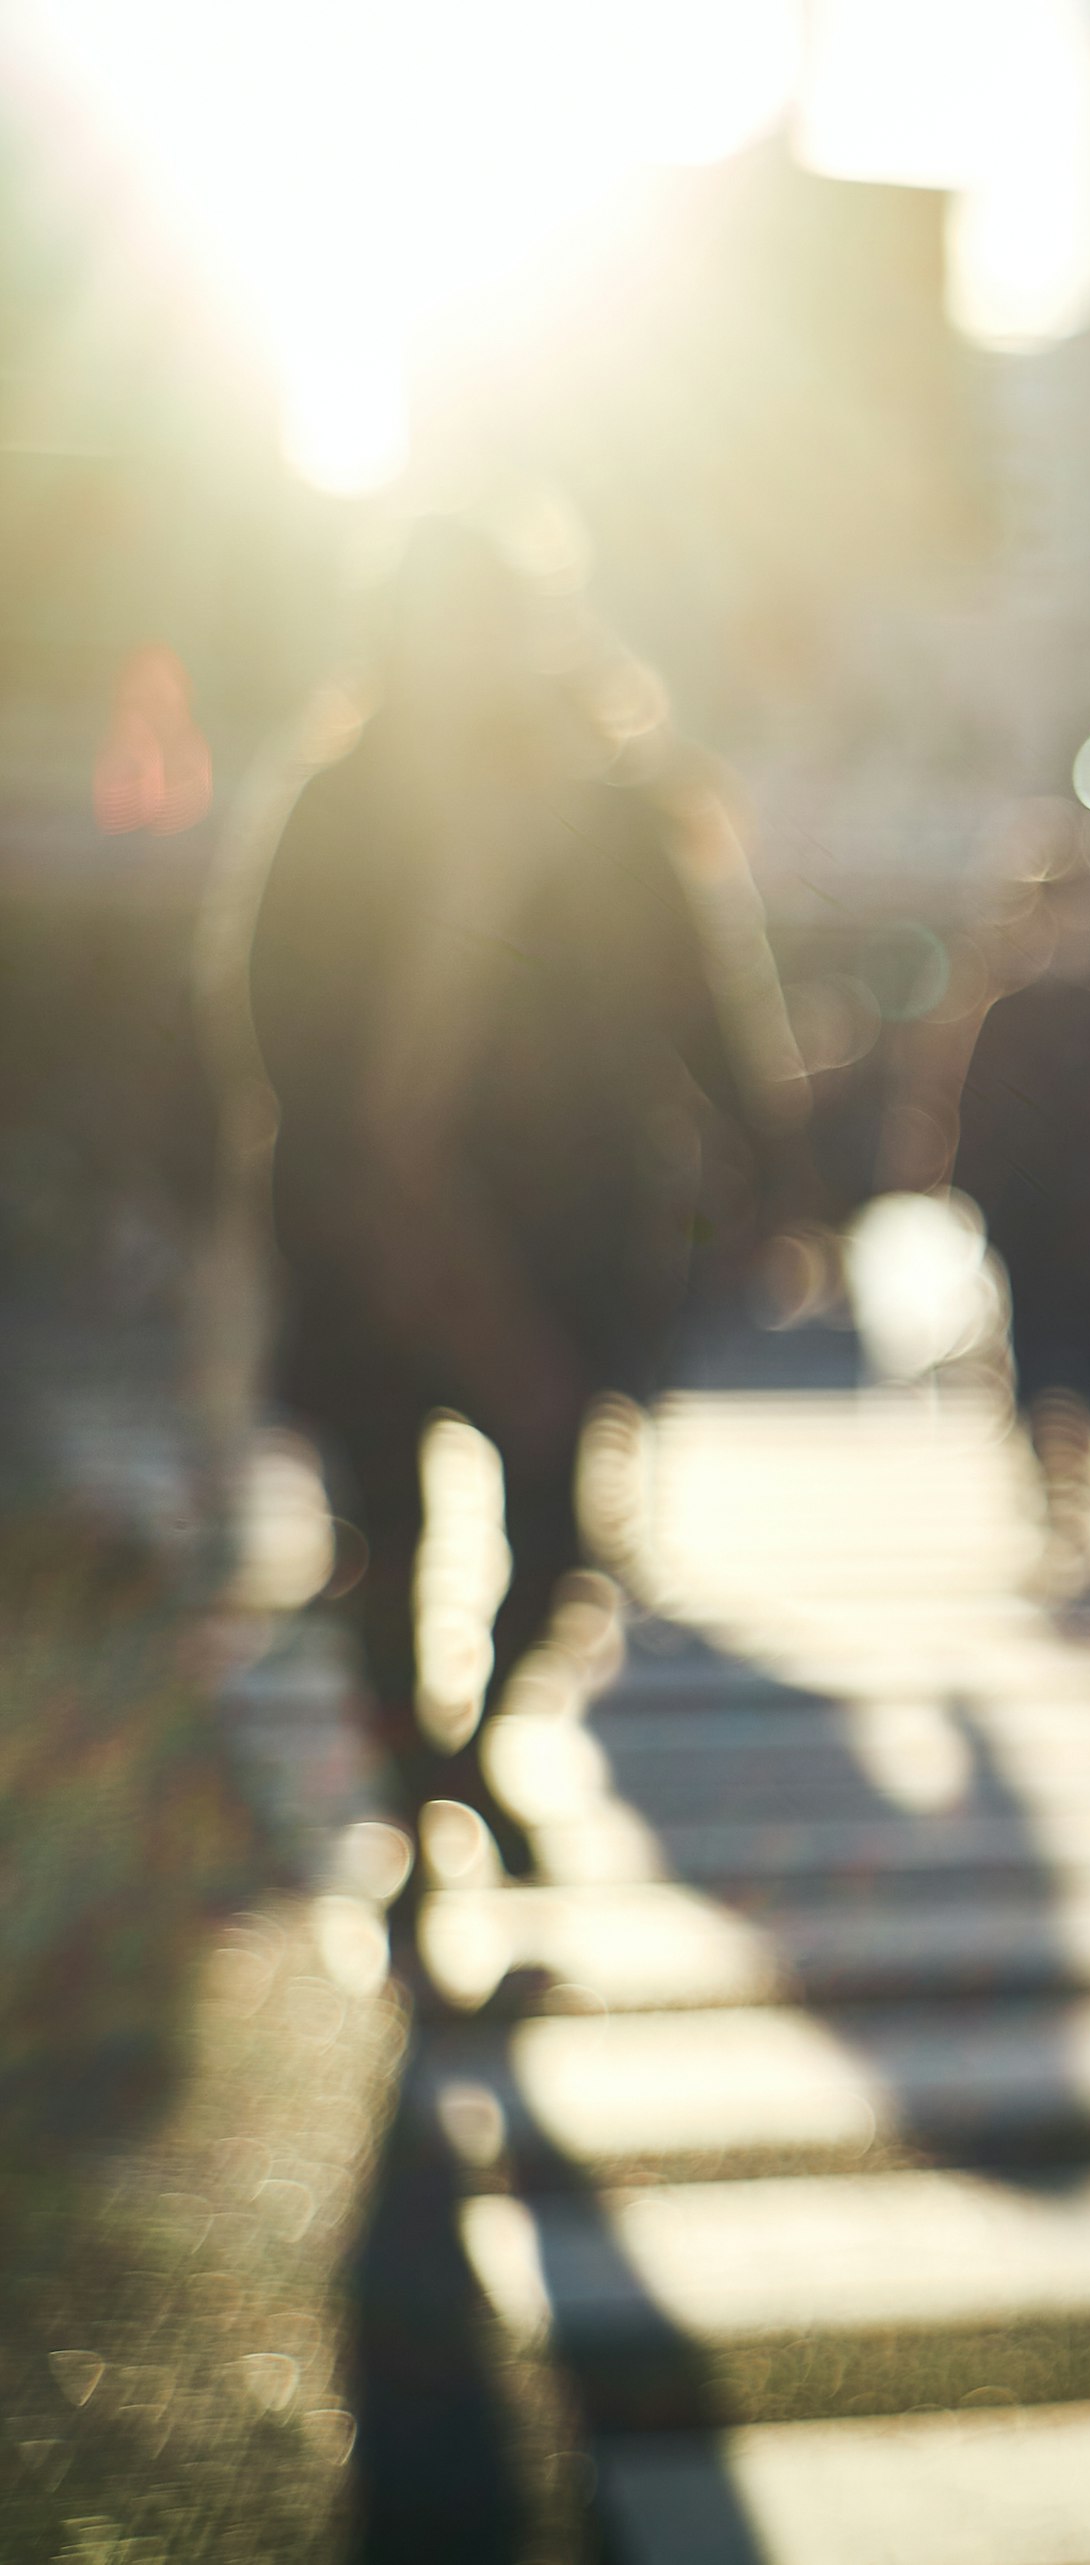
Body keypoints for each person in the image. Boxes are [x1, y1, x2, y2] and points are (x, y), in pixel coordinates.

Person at [213, 521, 812, 1881]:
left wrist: (768, 1163)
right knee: (384, 1539)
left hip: (557, 1231)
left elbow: (702, 1002)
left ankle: (461, 1748)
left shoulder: (601, 805)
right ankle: (420, 1800)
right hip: (379, 1231)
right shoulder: (340, 799)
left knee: (553, 1528)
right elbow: (270, 1016)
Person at [891, 864, 1090, 1590]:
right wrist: (978, 1202)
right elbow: (972, 1118)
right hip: (1034, 1229)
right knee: (1039, 1364)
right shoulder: (1009, 1013)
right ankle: (1057, 1498)